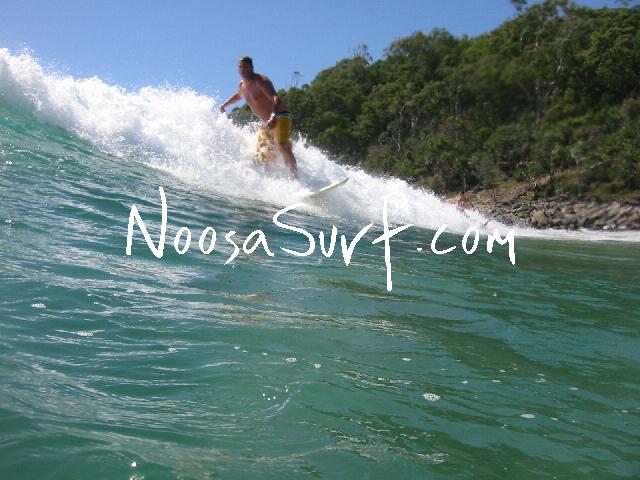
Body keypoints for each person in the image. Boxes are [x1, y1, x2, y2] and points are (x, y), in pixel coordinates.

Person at [219, 56, 298, 177]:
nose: (242, 70)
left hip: (280, 115)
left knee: (281, 145)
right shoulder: (242, 85)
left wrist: (273, 116)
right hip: (266, 122)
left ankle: (295, 177)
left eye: (245, 67)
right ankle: (269, 180)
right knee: (262, 155)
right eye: (240, 67)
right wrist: (225, 104)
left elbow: (276, 98)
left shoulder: (261, 80)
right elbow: (239, 95)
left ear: (251, 67)